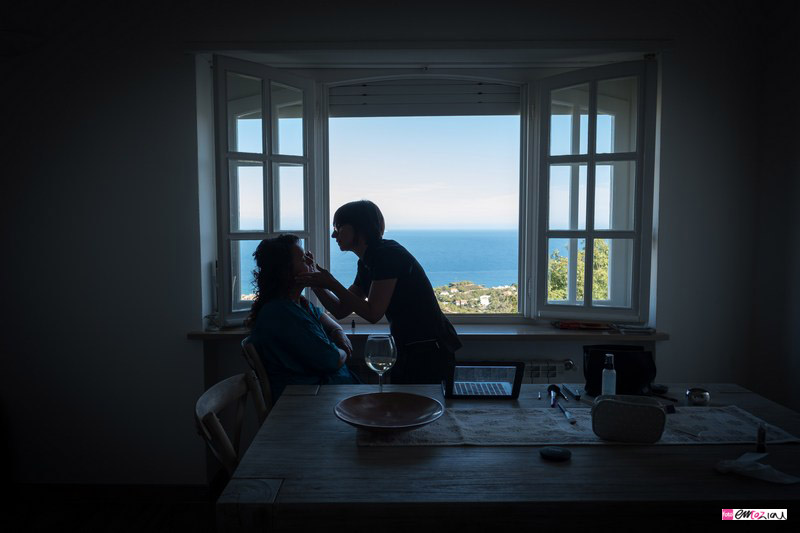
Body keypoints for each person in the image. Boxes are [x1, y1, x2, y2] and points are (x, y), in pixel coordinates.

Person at [296, 200, 461, 384]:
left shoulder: (387, 255)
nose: (334, 234)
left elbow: (373, 313)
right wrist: (315, 281)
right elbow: (341, 310)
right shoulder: (368, 262)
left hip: (429, 350)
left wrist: (332, 283)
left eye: (339, 227)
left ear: (360, 228)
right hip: (411, 348)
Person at [246, 234, 358, 403]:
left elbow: (328, 321)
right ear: (285, 271)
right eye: (302, 258)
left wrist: (338, 332)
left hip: (324, 394)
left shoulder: (297, 303)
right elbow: (332, 360)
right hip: (308, 402)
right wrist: (343, 349)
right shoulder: (282, 314)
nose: (309, 262)